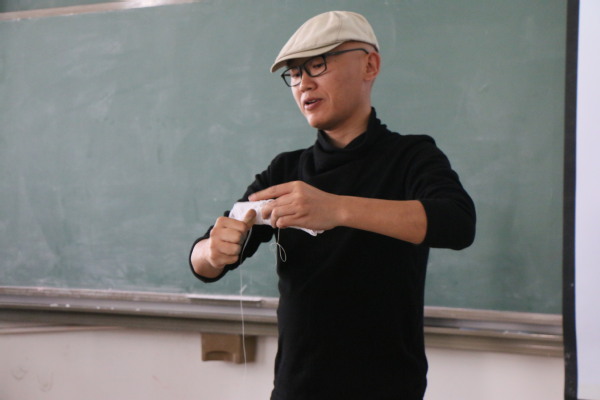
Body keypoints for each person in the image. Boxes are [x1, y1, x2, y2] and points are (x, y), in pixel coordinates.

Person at [189, 10, 475, 400]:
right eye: (294, 73)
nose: (304, 83)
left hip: (388, 390)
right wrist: (213, 251)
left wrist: (337, 209)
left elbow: (458, 223)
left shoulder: (411, 157)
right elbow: (204, 261)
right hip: (296, 390)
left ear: (369, 65)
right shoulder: (286, 170)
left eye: (318, 65)